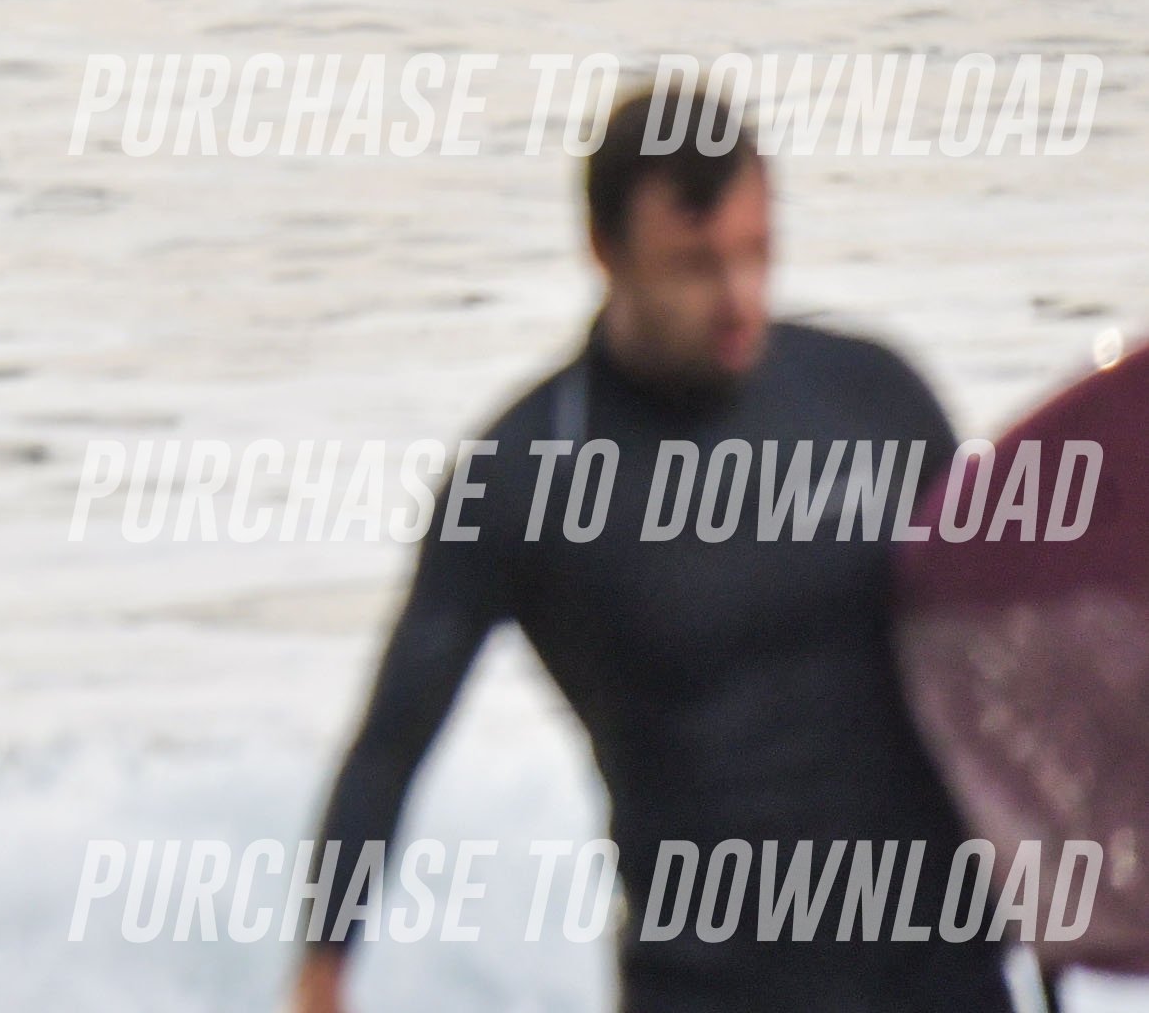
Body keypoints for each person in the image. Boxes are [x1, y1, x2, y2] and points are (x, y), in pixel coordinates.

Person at [290, 94, 1004, 1013]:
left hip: (941, 979)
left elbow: (1015, 651)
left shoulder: (872, 400)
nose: (738, 298)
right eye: (695, 267)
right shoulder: (526, 479)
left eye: (757, 253)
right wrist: (322, 973)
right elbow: (392, 746)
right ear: (605, 251)